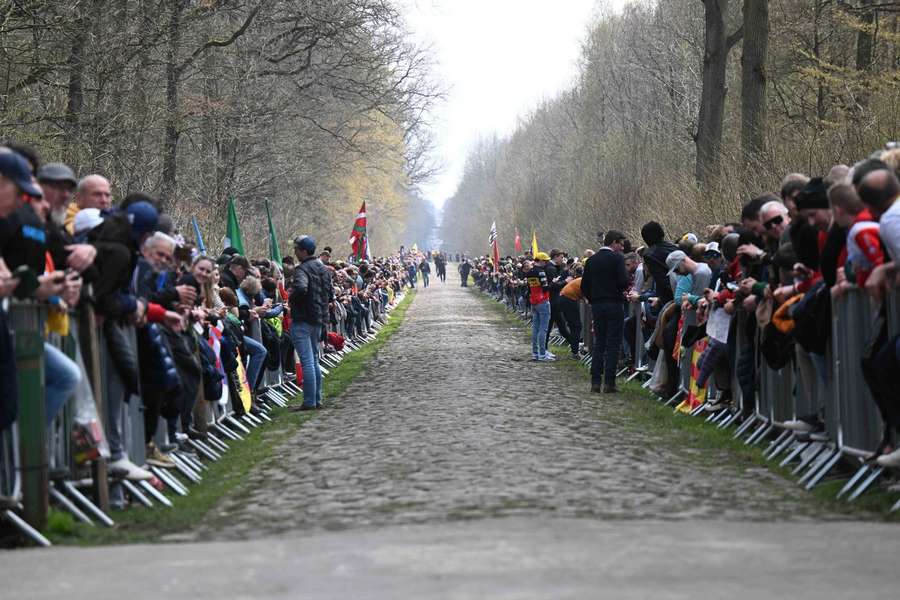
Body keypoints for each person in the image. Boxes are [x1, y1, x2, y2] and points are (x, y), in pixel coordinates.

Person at [289, 235, 333, 411]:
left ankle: (309, 401)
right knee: (314, 360)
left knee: (307, 361)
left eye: (297, 249)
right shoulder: (323, 268)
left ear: (304, 251)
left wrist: (291, 298)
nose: (295, 252)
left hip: (303, 318)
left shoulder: (301, 270)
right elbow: (329, 293)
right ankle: (317, 398)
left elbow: (300, 288)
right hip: (318, 319)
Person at [581, 230, 628, 393]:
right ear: (613, 242)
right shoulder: (617, 259)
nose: (621, 247)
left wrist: (592, 298)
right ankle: (609, 382)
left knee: (599, 342)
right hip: (614, 303)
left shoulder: (591, 260)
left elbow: (584, 286)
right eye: (620, 243)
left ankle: (595, 381)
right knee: (613, 343)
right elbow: (623, 281)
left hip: (597, 305)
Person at [526, 253, 553, 361]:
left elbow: (529, 288)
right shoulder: (541, 272)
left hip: (534, 301)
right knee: (543, 329)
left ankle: (535, 353)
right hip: (543, 301)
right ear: (540, 261)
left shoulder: (529, 272)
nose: (546, 263)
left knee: (535, 329)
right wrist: (553, 283)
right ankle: (542, 354)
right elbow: (545, 287)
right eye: (545, 261)